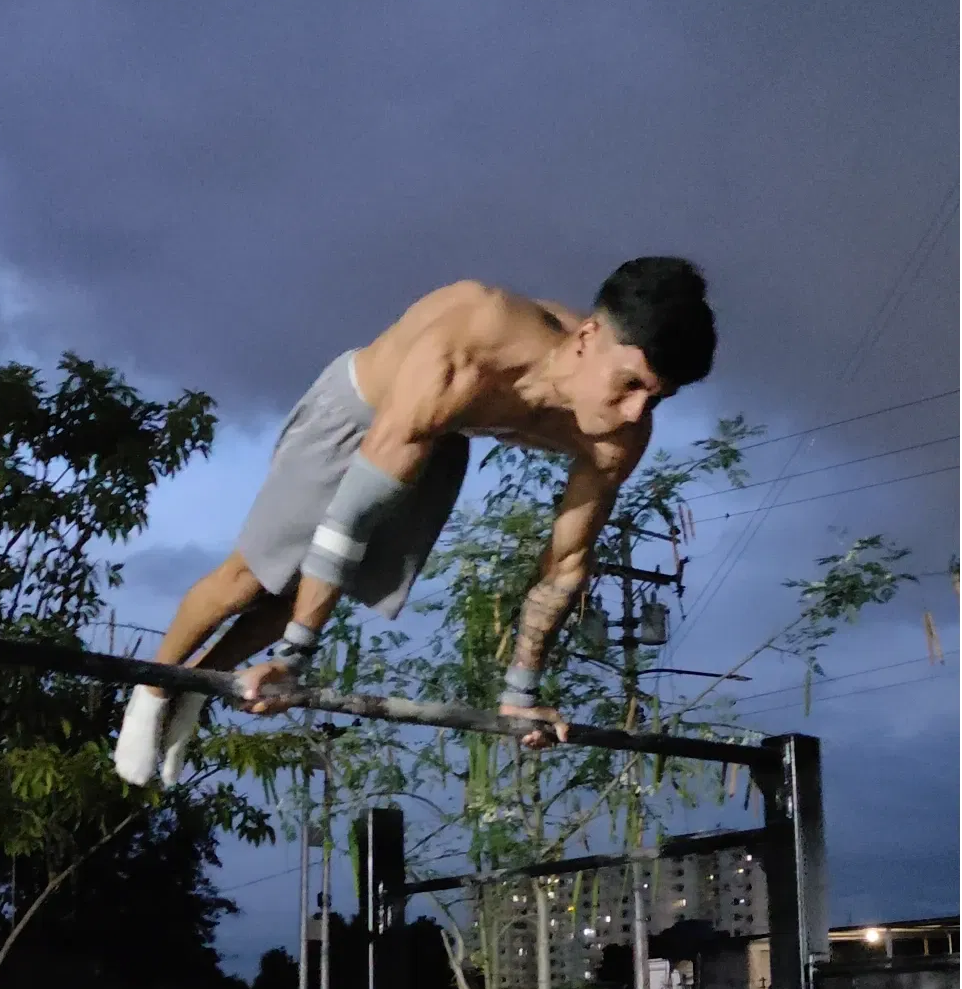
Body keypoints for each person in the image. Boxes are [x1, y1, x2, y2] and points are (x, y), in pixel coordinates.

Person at [114, 261, 716, 784]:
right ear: (588, 336)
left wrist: (520, 697)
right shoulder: (473, 345)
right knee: (255, 578)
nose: (636, 411)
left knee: (294, 600)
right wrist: (297, 659)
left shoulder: (621, 434)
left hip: (441, 436)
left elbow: (565, 565)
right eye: (630, 384)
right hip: (365, 411)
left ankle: (197, 683)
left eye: (656, 398)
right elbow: (351, 512)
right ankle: (155, 689)